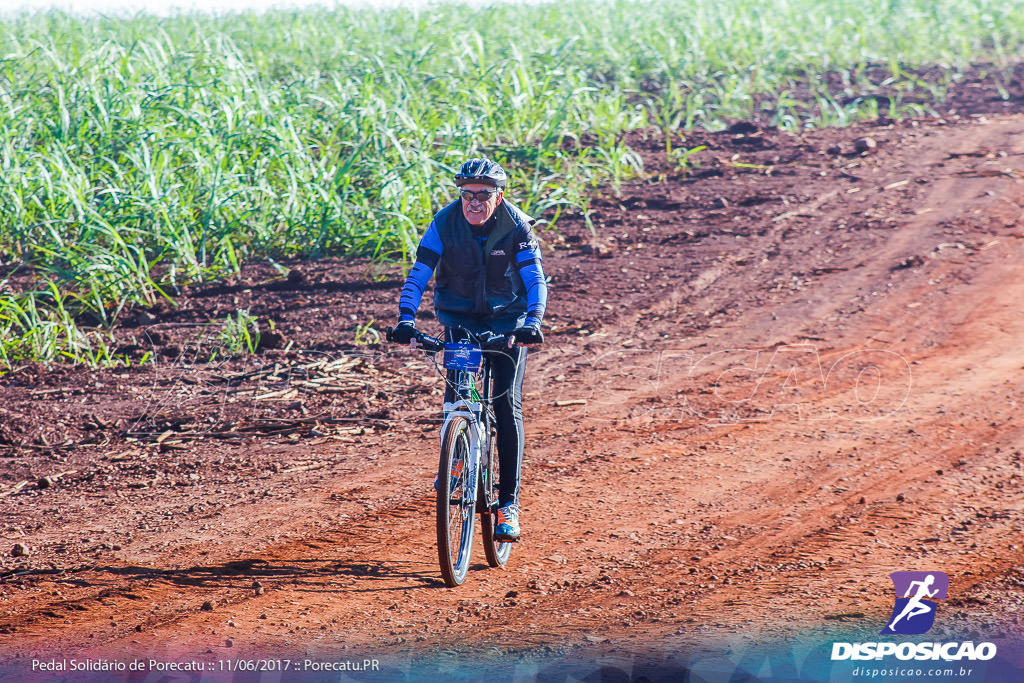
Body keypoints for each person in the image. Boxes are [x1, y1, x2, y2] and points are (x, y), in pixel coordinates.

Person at [390, 157, 548, 542]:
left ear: (499, 195)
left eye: (483, 194)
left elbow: (534, 278)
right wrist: (406, 318)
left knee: (505, 406)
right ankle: (457, 458)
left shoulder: (517, 226)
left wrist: (533, 322)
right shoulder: (444, 223)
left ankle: (507, 505)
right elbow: (419, 273)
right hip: (461, 321)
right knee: (460, 390)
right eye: (466, 194)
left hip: (508, 325)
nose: (474, 202)